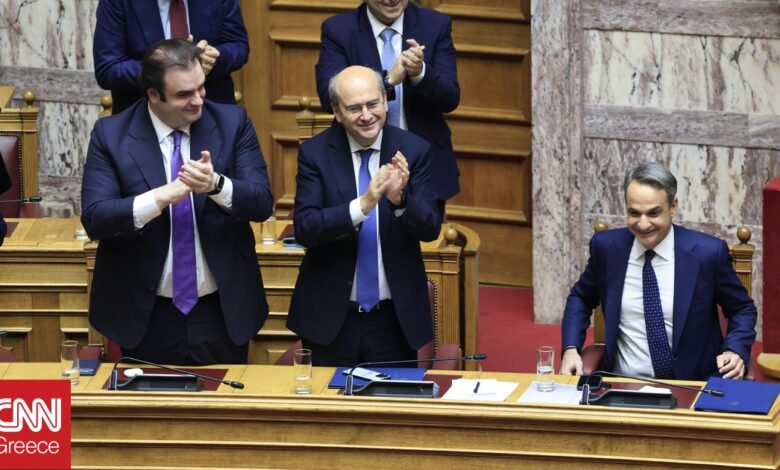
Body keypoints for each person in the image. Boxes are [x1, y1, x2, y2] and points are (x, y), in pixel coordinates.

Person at [81, 39, 273, 365]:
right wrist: (160, 197)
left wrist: (216, 185)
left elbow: (262, 203)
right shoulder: (111, 134)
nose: (198, 100)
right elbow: (96, 218)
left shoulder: (232, 123)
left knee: (225, 397)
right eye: (184, 94)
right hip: (145, 312)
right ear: (154, 95)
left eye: (201, 88)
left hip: (220, 310)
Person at [287, 65, 441, 366]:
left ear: (385, 100)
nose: (367, 115)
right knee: (329, 396)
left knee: (393, 396)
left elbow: (430, 228)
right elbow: (305, 228)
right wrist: (363, 204)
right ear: (336, 111)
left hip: (394, 319)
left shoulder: (414, 150)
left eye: (373, 104)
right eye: (354, 108)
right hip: (332, 317)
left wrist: (400, 200)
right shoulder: (316, 153)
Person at [560, 163, 757, 381]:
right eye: (634, 213)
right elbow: (580, 297)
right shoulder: (607, 248)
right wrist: (570, 348)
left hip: (693, 386)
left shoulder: (707, 253)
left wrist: (734, 350)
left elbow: (742, 309)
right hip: (623, 385)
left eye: (653, 213)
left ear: (673, 206)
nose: (643, 224)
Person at [315, 0, 460, 215]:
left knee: (426, 233)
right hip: (357, 162)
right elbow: (329, 98)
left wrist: (420, 73)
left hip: (423, 166)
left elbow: (450, 98)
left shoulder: (435, 25)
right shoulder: (339, 30)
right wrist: (387, 80)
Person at [94, 0, 249, 114]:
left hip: (212, 114)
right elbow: (108, 69)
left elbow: (239, 45)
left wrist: (213, 58)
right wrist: (167, 66)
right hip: (144, 120)